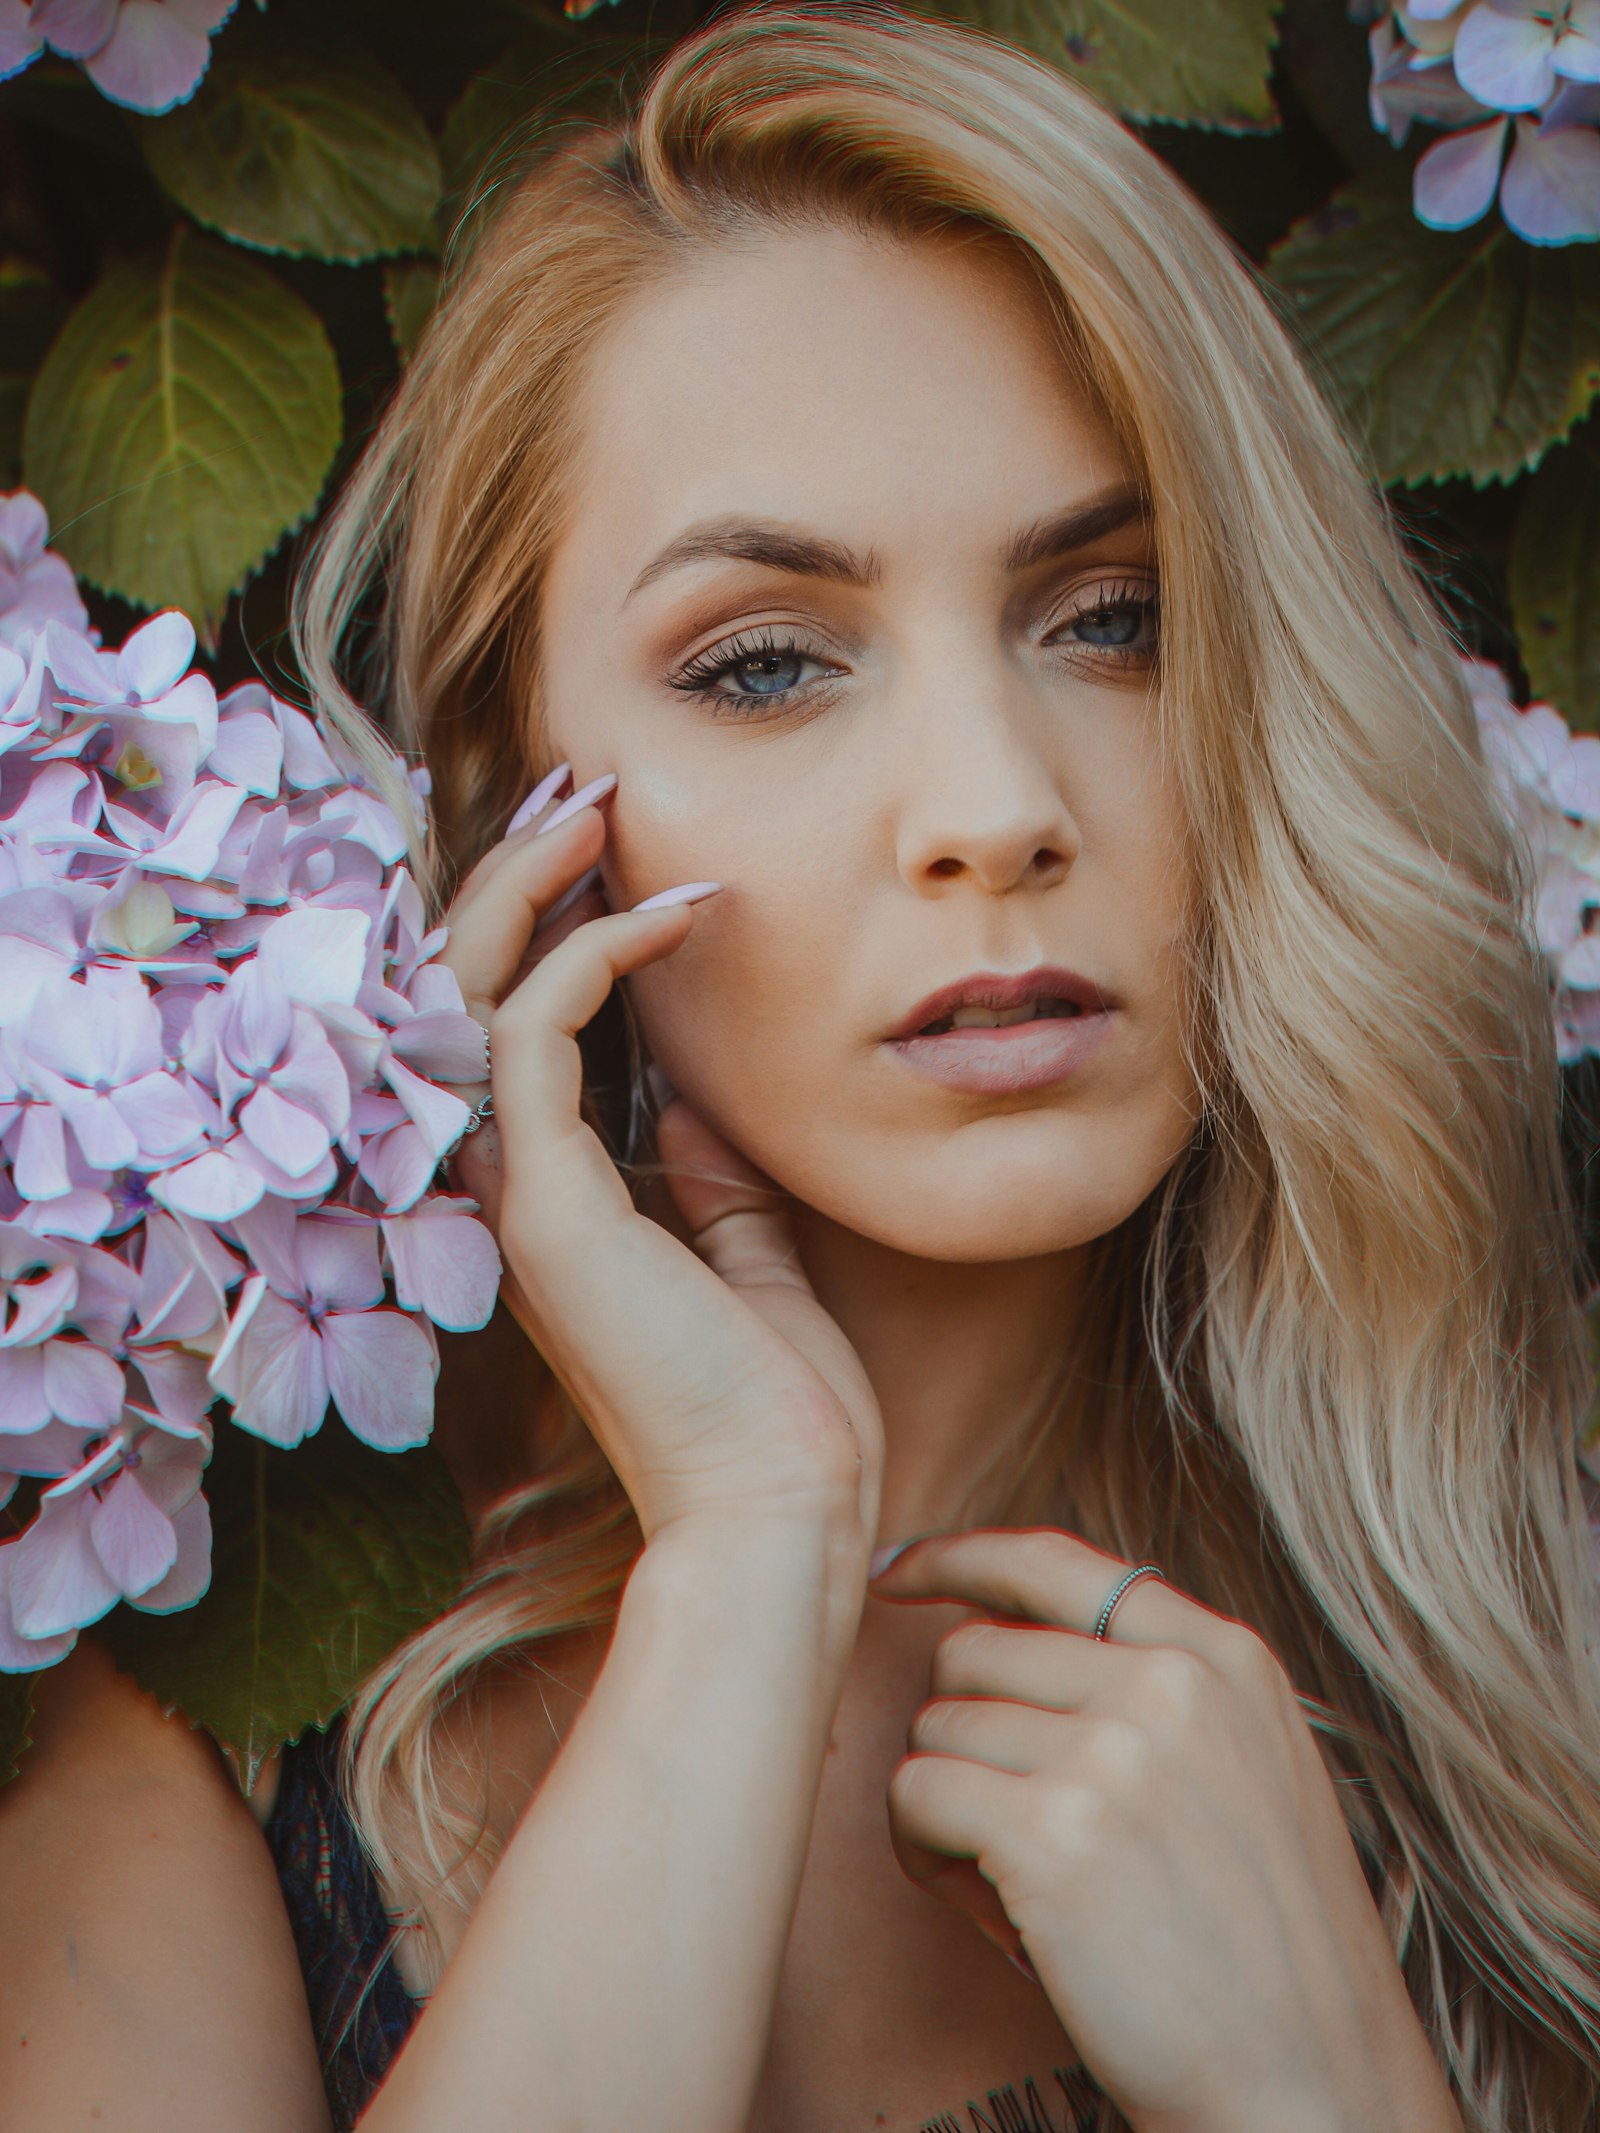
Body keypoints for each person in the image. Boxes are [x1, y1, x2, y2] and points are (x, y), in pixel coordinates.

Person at [6, 4, 1600, 2128]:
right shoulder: (197, 1717)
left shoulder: (1537, 1658)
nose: (991, 801)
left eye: (1110, 617)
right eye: (765, 662)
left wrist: (1324, 2085)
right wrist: (746, 1552)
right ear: (516, 800)